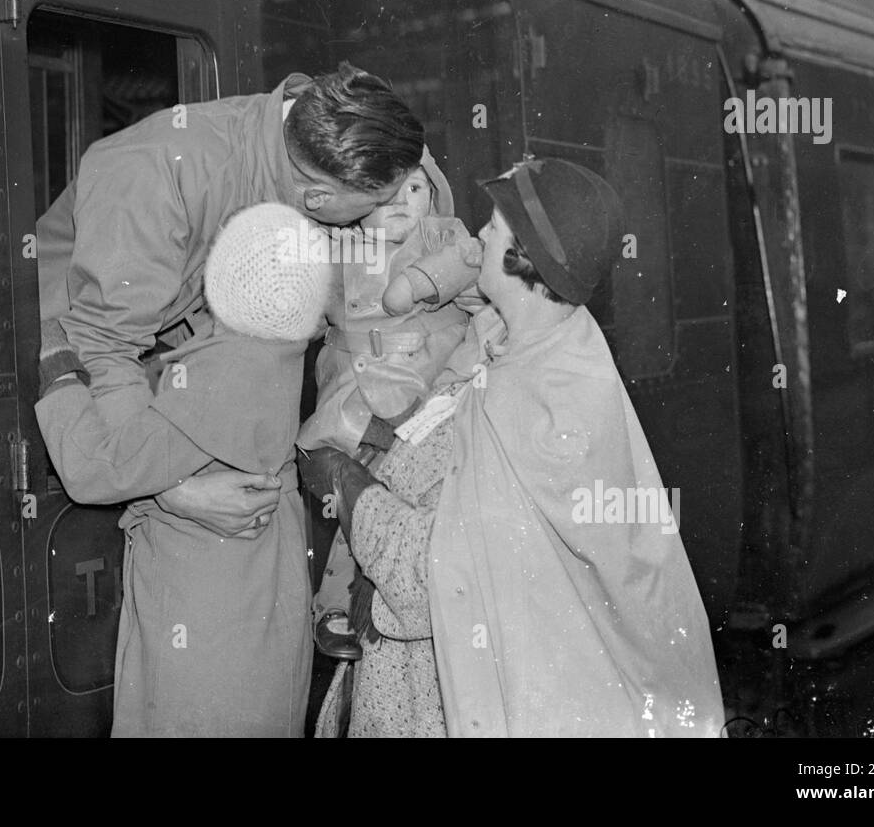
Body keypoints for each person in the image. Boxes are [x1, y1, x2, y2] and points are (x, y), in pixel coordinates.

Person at [301, 158, 724, 737]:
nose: (478, 235)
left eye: (496, 225)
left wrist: (341, 480)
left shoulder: (540, 407)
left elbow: (433, 573)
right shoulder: (525, 342)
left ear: (523, 255)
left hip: (465, 700)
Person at [35, 63, 424, 540]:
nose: (380, 218)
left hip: (145, 364)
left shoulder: (302, 145)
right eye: (374, 205)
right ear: (319, 197)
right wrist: (174, 489)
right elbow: (102, 347)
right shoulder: (157, 174)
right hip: (53, 372)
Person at [36, 203, 332, 736]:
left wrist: (58, 364)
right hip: (257, 602)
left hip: (207, 618)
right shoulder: (278, 348)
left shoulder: (218, 378)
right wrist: (174, 492)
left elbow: (92, 469)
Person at [297, 155, 481, 661]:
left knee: (409, 508)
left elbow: (476, 270)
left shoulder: (443, 239)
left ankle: (408, 602)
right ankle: (332, 604)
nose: (404, 202)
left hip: (427, 400)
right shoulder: (337, 248)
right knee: (352, 503)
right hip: (353, 400)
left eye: (417, 189)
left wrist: (425, 281)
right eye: (387, 191)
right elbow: (304, 310)